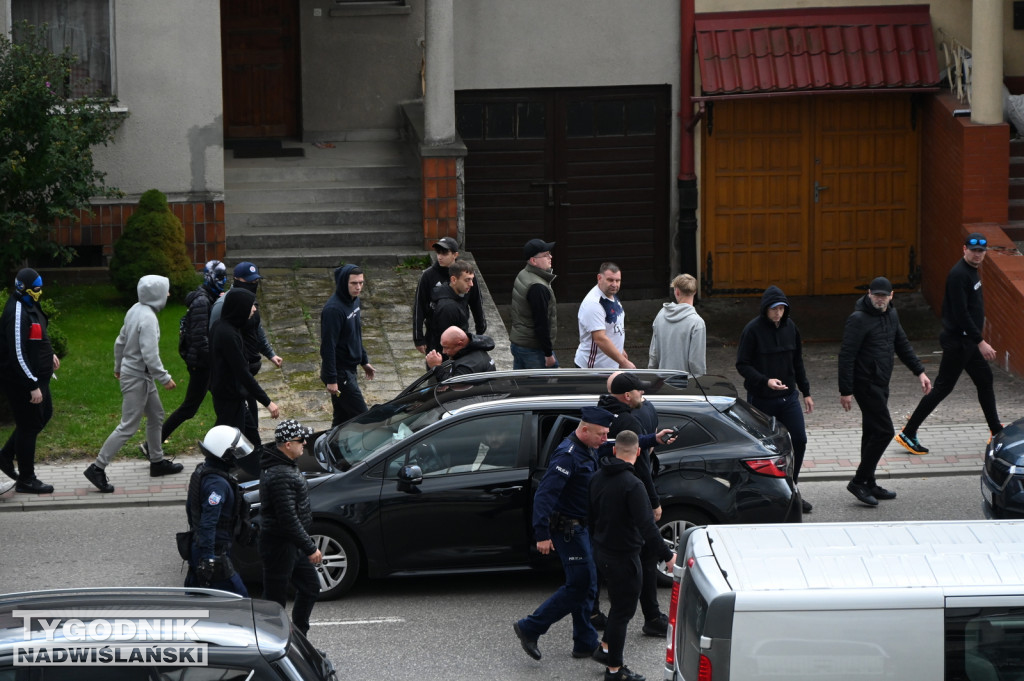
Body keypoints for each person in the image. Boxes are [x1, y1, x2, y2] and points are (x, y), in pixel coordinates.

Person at [513, 406, 615, 662]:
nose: (604, 439)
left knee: (587, 585)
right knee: (579, 584)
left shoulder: (587, 446)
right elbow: (545, 495)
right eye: (601, 434)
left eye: (606, 434)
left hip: (582, 527)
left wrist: (651, 439)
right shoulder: (567, 456)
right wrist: (541, 534)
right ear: (584, 429)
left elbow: (610, 445)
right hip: (568, 530)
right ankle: (530, 627)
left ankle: (584, 642)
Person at [896, 233, 1004, 454]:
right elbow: (961, 313)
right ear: (964, 249)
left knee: (985, 379)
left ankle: (995, 429)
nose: (977, 254)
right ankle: (909, 432)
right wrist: (980, 341)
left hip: (966, 342)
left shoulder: (971, 271)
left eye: (981, 251)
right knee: (943, 387)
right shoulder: (958, 275)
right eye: (973, 250)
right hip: (959, 342)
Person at [590, 430, 676, 681]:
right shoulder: (633, 485)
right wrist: (667, 555)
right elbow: (647, 526)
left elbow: (590, 516)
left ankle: (605, 649)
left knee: (618, 607)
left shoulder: (596, 478)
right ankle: (614, 671)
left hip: (601, 551)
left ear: (614, 450)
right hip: (624, 556)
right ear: (638, 452)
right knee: (621, 612)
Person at [84, 275, 182, 494]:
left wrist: (118, 366)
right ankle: (97, 467)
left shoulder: (134, 309)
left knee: (156, 415)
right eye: (166, 290)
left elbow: (120, 341)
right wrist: (164, 378)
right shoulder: (148, 318)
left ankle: (157, 463)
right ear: (156, 294)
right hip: (138, 377)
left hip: (138, 375)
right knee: (128, 425)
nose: (168, 294)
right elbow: (150, 354)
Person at [839, 277, 932, 506]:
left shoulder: (891, 314)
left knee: (871, 432)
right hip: (865, 383)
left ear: (891, 296)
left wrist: (920, 371)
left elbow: (902, 344)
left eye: (884, 296)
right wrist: (846, 390)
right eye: (876, 295)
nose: (880, 299)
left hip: (882, 382)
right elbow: (846, 355)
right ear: (869, 293)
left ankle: (869, 482)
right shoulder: (858, 319)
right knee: (883, 431)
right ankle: (859, 481)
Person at [593, 372, 666, 637]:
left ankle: (592, 613)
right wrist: (654, 501)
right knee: (644, 559)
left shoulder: (599, 413)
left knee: (597, 559)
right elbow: (642, 465)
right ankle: (651, 617)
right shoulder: (630, 422)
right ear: (627, 396)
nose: (643, 397)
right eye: (640, 392)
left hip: (601, 499)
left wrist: (653, 439)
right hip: (626, 501)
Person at [736, 285, 814, 513]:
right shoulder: (752, 330)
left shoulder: (792, 329)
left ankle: (793, 488)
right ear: (765, 309)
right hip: (761, 398)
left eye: (781, 308)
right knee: (764, 450)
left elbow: (798, 362)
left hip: (789, 397)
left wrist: (806, 392)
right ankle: (770, 494)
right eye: (774, 309)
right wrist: (765, 380)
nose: (778, 313)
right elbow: (742, 364)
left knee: (799, 439)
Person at [259, 419, 323, 635]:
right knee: (274, 604)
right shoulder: (280, 474)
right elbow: (288, 518)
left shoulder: (284, 465)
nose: (305, 442)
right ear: (287, 444)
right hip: (280, 546)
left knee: (310, 587)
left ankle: (299, 639)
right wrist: (309, 547)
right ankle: (272, 648)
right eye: (301, 439)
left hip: (290, 544)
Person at [209, 262, 283, 442]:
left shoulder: (236, 319)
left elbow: (257, 330)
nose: (255, 309)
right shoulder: (228, 332)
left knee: (249, 435)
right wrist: (268, 402)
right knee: (230, 436)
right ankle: (215, 466)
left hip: (239, 385)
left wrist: (269, 353)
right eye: (252, 306)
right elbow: (239, 370)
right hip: (232, 388)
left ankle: (250, 464)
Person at [0, 268, 58, 494]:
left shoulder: (29, 304)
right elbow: (17, 353)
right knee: (29, 425)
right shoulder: (16, 312)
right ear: (23, 288)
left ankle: (5, 456)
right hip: (22, 381)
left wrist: (49, 353)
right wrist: (32, 384)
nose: (39, 291)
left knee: (44, 415)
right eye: (36, 288)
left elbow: (37, 334)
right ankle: (26, 479)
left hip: (38, 375)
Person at [184, 425, 255, 596]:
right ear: (224, 454)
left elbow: (191, 511)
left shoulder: (203, 471)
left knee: (196, 596)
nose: (237, 457)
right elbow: (208, 523)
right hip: (214, 550)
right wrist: (209, 558)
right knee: (239, 598)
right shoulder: (217, 485)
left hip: (202, 546)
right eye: (234, 452)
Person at [161, 260, 226, 445]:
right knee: (189, 408)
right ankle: (153, 445)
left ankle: (219, 444)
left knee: (227, 405)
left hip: (205, 362)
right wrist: (214, 361)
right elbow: (199, 339)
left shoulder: (209, 298)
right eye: (219, 277)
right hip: (201, 364)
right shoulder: (202, 301)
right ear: (209, 278)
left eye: (224, 277)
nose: (222, 281)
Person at [320, 264, 376, 426]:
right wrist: (332, 379)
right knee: (364, 417)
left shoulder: (355, 301)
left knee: (341, 418)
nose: (358, 287)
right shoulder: (333, 310)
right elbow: (328, 346)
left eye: (361, 283)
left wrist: (364, 361)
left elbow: (356, 334)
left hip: (351, 369)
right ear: (344, 283)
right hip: (340, 373)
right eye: (354, 283)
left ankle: (330, 447)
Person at [412, 236, 486, 355]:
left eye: (445, 253)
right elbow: (419, 307)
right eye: (438, 253)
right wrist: (418, 338)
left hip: (460, 333)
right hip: (435, 335)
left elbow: (476, 303)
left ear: (455, 255)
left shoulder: (466, 276)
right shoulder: (428, 276)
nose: (440, 256)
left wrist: (480, 331)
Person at [509, 238, 559, 369]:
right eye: (546, 254)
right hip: (533, 350)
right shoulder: (538, 287)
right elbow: (541, 323)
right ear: (533, 261)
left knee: (520, 386)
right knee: (545, 387)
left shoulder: (524, 273)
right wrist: (548, 354)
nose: (550, 256)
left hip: (520, 344)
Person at [575, 262, 632, 369]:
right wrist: (624, 362)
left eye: (617, 280)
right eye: (610, 280)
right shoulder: (594, 304)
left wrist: (620, 351)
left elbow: (614, 326)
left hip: (611, 364)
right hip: (594, 368)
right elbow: (599, 338)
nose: (614, 284)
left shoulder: (610, 294)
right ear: (599, 278)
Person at [648, 273, 706, 377]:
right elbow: (696, 362)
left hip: (662, 382)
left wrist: (652, 376)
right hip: (685, 385)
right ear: (695, 292)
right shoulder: (697, 323)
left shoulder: (661, 315)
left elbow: (654, 354)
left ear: (677, 291)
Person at [428, 260, 476, 355]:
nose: (471, 284)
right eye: (467, 280)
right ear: (453, 280)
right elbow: (447, 344)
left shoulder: (458, 297)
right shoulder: (448, 307)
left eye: (472, 279)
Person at [425, 326, 496, 381]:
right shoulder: (475, 345)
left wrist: (436, 367)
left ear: (460, 344)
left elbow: (452, 388)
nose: (444, 352)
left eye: (446, 347)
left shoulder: (467, 366)